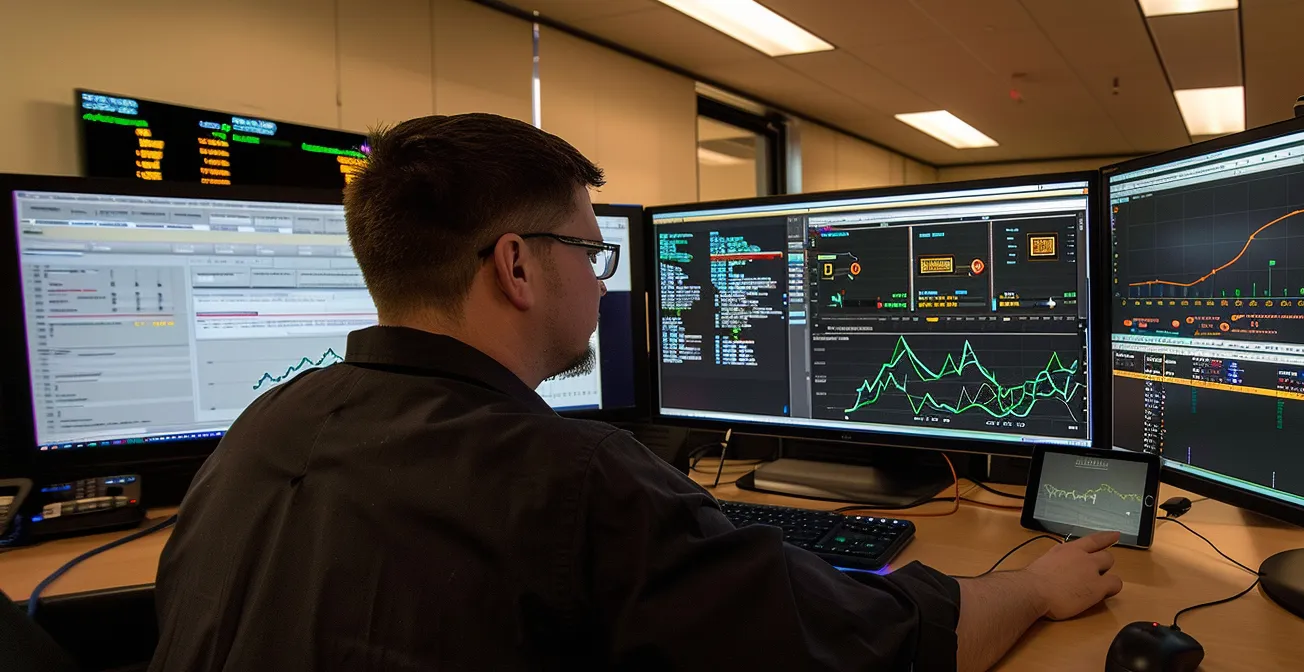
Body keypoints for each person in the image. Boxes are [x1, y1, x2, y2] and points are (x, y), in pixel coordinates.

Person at [149, 113, 1123, 672]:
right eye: (591, 249)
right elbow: (889, 650)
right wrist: (1034, 586)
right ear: (518, 266)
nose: (606, 281)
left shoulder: (266, 422)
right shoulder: (571, 480)